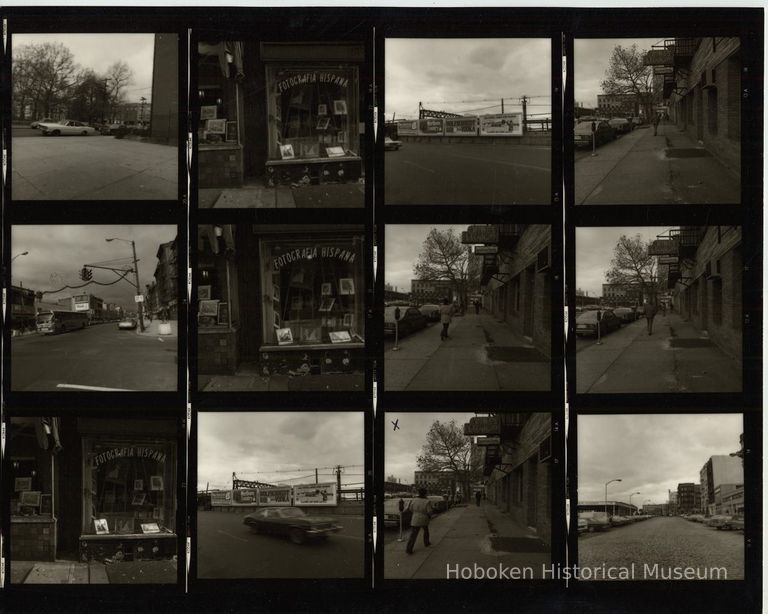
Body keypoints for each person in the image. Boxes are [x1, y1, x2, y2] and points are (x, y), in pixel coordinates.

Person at [405, 488, 433, 554]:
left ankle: (409, 548)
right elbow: (429, 511)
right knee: (426, 531)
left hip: (415, 518)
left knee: (413, 535)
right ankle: (426, 543)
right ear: (425, 493)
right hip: (424, 518)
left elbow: (410, 509)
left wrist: (415, 513)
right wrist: (429, 516)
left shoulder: (414, 500)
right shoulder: (427, 501)